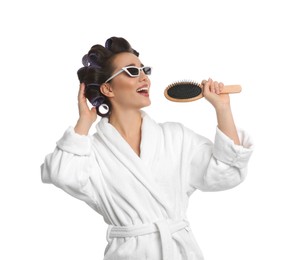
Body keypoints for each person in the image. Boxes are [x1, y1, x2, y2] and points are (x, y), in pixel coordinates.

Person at [41, 36, 253, 260]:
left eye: (145, 71)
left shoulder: (175, 137)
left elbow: (228, 173)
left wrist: (223, 108)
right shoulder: (92, 152)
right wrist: (84, 121)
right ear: (108, 89)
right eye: (132, 72)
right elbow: (62, 175)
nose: (144, 78)